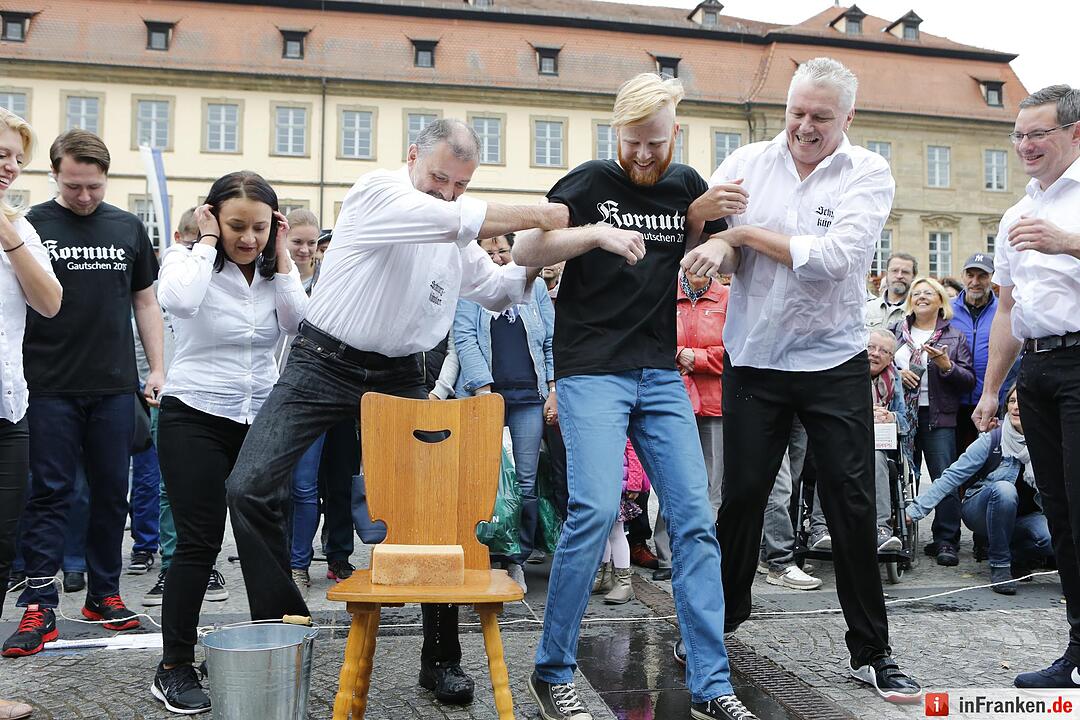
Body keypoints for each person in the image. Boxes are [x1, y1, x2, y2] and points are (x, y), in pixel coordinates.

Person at [223, 119, 567, 706]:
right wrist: (544, 211)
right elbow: (458, 220)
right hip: (323, 360)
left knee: (436, 513)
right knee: (249, 486)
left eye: (461, 184)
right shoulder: (376, 191)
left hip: (405, 372)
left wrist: (545, 251)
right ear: (412, 157)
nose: (448, 193)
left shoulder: (456, 230)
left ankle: (440, 661)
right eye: (439, 177)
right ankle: (285, 624)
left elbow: (502, 290)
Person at [513, 72, 754, 720]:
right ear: (615, 131)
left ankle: (711, 684)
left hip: (657, 370)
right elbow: (526, 247)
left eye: (655, 142)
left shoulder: (686, 187)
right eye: (633, 142)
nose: (644, 156)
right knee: (593, 509)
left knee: (696, 520)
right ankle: (553, 669)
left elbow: (728, 256)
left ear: (674, 132)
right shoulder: (590, 182)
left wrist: (719, 242)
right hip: (592, 369)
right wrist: (593, 234)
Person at [689, 57, 922, 702]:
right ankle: (724, 621)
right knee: (740, 499)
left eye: (821, 116)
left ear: (848, 117)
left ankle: (872, 652)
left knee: (850, 503)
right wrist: (715, 242)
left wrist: (744, 232)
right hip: (756, 358)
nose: (804, 127)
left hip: (832, 359)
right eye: (797, 112)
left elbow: (834, 259)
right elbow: (715, 235)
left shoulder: (867, 171)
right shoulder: (746, 163)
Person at [150, 171, 305, 714]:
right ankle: (173, 664)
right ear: (210, 216)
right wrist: (207, 240)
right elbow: (181, 303)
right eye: (236, 225)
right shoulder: (185, 260)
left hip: (259, 419)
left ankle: (278, 646)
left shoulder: (273, 271)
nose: (249, 238)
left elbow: (299, 324)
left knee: (267, 535)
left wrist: (283, 257)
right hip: (193, 414)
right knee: (198, 542)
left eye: (260, 227)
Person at [4, 129, 162, 658]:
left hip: (115, 385)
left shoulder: (127, 226)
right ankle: (41, 601)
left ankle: (105, 594)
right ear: (54, 174)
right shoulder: (31, 226)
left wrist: (157, 367)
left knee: (112, 491)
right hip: (47, 383)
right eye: (74, 186)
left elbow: (145, 301)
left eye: (94, 186)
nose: (85, 197)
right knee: (50, 491)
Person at [972, 85, 1080, 689]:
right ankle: (1077, 651)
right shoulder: (1015, 213)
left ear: (1075, 133)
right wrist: (991, 391)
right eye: (1018, 135)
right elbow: (1007, 312)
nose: (1026, 146)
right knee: (1060, 514)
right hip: (1036, 371)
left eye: (1038, 133)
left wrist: (1067, 242)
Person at [454, 233, 555, 591]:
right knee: (488, 480)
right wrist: (482, 388)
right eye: (489, 251)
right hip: (487, 398)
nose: (497, 257)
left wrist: (553, 388)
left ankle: (517, 558)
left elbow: (549, 339)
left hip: (530, 397)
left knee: (525, 480)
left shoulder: (535, 288)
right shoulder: (470, 288)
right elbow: (463, 337)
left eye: (503, 250)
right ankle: (487, 553)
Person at [0, 104, 64, 669]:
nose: (10, 167)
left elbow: (49, 303)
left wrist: (6, 232)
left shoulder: (19, 226)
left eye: (17, 159)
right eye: (0, 154)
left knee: (2, 553)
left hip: (8, 406)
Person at [908, 385, 1050, 595]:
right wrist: (915, 511)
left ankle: (1014, 554)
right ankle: (1000, 565)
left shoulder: (1047, 443)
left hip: (1025, 516)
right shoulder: (993, 439)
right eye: (1012, 401)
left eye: (1023, 402)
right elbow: (952, 475)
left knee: (1050, 539)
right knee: (1004, 489)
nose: (1017, 407)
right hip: (981, 510)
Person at [652, 268, 730, 582]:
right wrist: (676, 355)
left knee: (711, 484)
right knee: (672, 479)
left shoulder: (726, 297)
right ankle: (667, 555)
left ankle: (701, 556)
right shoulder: (664, 293)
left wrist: (691, 357)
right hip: (673, 399)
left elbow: (732, 353)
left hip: (714, 402)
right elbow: (653, 341)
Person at [893, 276, 975, 566]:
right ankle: (899, 538)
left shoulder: (954, 336)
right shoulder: (897, 332)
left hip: (940, 417)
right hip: (902, 418)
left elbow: (968, 380)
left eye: (929, 293)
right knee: (901, 479)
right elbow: (879, 365)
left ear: (941, 301)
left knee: (945, 478)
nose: (921, 296)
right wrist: (897, 375)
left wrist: (946, 366)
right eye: (917, 293)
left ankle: (945, 540)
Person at [810, 330, 911, 552]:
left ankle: (880, 530)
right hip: (840, 443)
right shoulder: (842, 373)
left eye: (883, 351)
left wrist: (890, 416)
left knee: (875, 457)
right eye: (870, 348)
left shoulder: (894, 380)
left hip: (876, 446)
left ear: (891, 358)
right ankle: (820, 528)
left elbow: (905, 421)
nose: (875, 354)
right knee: (828, 458)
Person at [865, 252, 916, 329]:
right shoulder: (867, 308)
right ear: (887, 273)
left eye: (905, 272)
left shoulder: (917, 312)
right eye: (894, 270)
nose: (899, 276)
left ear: (913, 277)